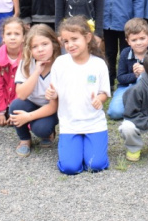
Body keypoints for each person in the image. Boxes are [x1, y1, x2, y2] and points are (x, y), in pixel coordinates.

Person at [47, 16, 111, 175]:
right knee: (70, 168)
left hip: (94, 123)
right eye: (66, 41)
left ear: (88, 38)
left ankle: (89, 150)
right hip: (70, 124)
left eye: (75, 39)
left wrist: (99, 99)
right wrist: (52, 94)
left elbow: (104, 92)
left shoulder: (98, 64)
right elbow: (54, 92)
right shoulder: (60, 63)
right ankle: (74, 151)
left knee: (95, 165)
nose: (70, 45)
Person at [9, 25, 60, 157]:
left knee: (41, 129)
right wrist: (37, 71)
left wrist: (28, 117)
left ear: (53, 44)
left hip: (51, 108)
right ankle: (24, 140)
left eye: (45, 44)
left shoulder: (60, 64)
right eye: (35, 46)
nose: (40, 49)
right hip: (31, 103)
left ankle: (48, 132)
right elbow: (21, 94)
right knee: (15, 106)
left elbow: (53, 106)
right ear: (29, 50)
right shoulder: (26, 62)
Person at [106, 18, 148, 120]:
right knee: (115, 113)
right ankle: (135, 108)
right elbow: (121, 78)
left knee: (143, 79)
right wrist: (135, 75)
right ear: (128, 41)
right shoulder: (125, 53)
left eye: (142, 38)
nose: (138, 43)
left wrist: (145, 72)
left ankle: (139, 108)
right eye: (134, 40)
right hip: (126, 87)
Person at [0, 17, 25, 127]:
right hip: (2, 101)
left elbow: (23, 88)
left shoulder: (28, 58)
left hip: (19, 101)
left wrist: (14, 111)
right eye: (9, 34)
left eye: (17, 34)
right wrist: (0, 112)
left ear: (23, 38)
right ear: (3, 37)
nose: (12, 37)